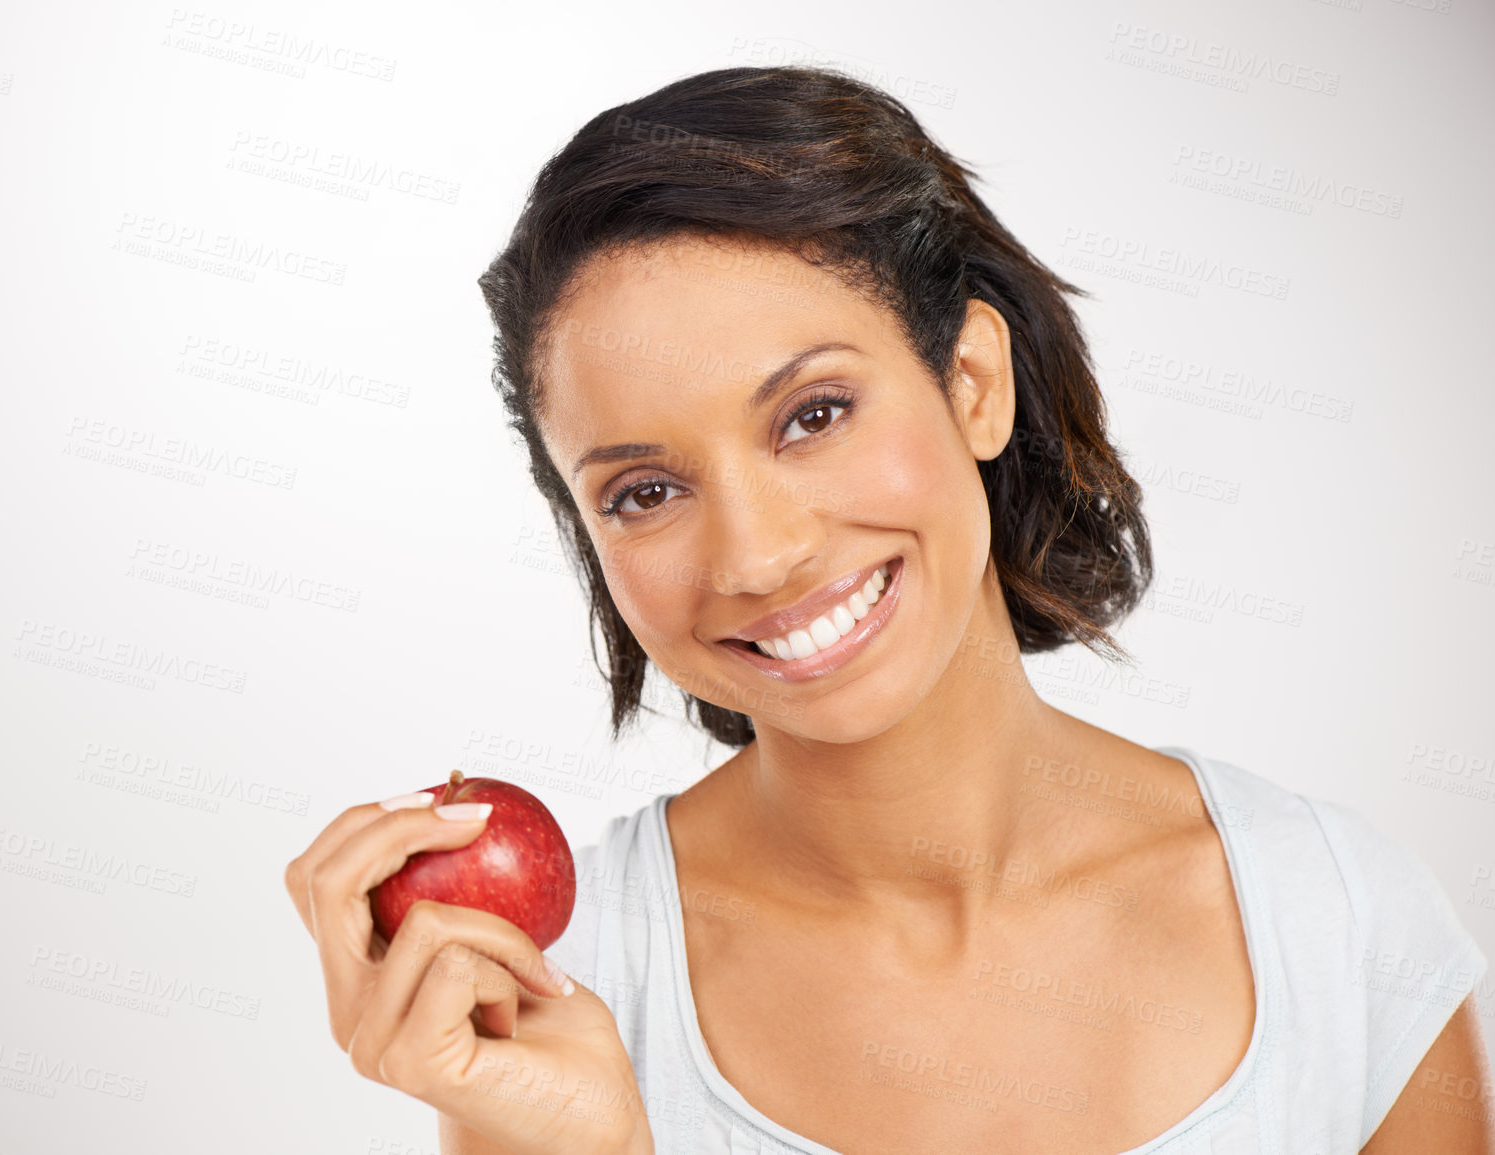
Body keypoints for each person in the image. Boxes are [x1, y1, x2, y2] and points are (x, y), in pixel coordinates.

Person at [284, 66, 1492, 1153]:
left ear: (972, 384)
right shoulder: (560, 987)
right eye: (647, 491)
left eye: (812, 415)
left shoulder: (1338, 922)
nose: (758, 556)